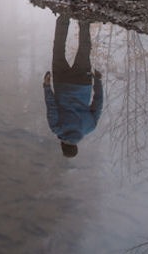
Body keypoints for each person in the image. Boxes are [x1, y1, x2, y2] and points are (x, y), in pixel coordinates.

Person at [43, 13, 103, 158]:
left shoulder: (90, 127)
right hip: (61, 83)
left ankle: (83, 20)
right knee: (58, 49)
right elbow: (51, 106)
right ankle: (64, 16)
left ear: (76, 146)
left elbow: (98, 103)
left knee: (84, 49)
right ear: (62, 145)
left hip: (83, 83)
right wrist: (46, 86)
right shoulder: (56, 128)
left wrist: (98, 82)